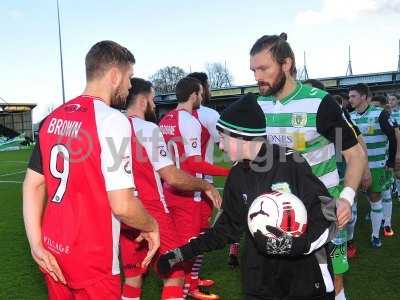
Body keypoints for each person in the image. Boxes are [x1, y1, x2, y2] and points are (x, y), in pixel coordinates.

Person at [157, 93, 338, 300]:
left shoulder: (291, 163)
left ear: (242, 135)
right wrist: (179, 254)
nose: (221, 146)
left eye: (223, 138)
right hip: (260, 282)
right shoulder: (237, 175)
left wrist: (297, 245)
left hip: (304, 281)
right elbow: (225, 230)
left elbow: (327, 215)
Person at [22, 41, 159, 299]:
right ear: (114, 75)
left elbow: (33, 184)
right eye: (129, 78)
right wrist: (151, 226)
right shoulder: (112, 121)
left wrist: (35, 243)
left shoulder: (53, 118)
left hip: (52, 251)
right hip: (93, 259)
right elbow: (122, 205)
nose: (130, 86)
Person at [250, 33, 366, 300]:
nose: (257, 76)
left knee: (333, 275)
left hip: (325, 207)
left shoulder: (320, 103)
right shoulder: (256, 106)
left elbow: (355, 155)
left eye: (264, 68)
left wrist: (346, 199)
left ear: (286, 64)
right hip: (280, 213)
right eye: (254, 70)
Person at [120, 77, 222, 300]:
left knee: (133, 276)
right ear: (144, 100)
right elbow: (173, 177)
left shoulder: (110, 127)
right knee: (175, 274)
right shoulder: (148, 128)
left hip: (123, 212)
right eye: (153, 99)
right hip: (151, 211)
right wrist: (205, 185)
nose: (155, 105)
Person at [159, 76, 229, 300]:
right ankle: (185, 290)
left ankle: (187, 287)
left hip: (170, 189)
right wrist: (228, 172)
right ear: (193, 94)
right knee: (187, 250)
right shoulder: (189, 121)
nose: (203, 97)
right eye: (200, 93)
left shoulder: (165, 119)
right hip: (190, 193)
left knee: (181, 246)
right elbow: (193, 163)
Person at [187, 72, 229, 298]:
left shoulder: (174, 116)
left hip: (177, 182)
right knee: (198, 236)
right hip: (201, 183)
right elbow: (223, 141)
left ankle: (192, 278)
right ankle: (190, 285)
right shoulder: (208, 115)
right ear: (201, 90)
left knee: (190, 235)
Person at [349, 84, 398, 244]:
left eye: (353, 96)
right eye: (349, 97)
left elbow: (393, 136)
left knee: (379, 196)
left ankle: (380, 231)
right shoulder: (349, 117)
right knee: (353, 199)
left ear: (364, 97)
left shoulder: (380, 114)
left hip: (378, 166)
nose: (350, 100)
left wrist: (391, 161)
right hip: (357, 167)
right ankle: (350, 238)